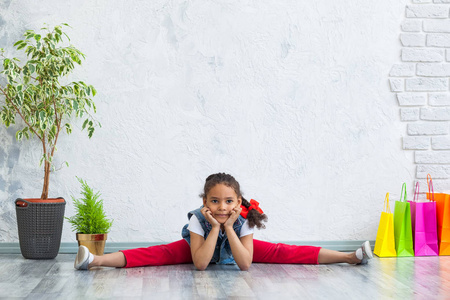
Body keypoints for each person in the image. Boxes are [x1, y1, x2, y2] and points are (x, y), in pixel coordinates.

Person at [74, 173, 373, 270]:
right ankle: (94, 260)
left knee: (285, 251)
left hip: (236, 246)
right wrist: (215, 227)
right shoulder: (198, 220)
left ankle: (349, 257)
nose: (221, 207)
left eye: (228, 202)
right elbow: (201, 265)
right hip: (199, 248)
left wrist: (229, 226)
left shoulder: (241, 220)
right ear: (205, 202)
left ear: (238, 203)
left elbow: (245, 264)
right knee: (159, 253)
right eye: (214, 201)